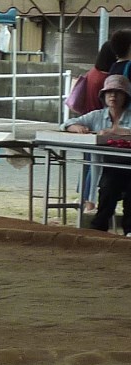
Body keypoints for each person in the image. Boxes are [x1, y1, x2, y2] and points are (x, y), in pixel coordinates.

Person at [63, 74, 131, 235]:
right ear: (103, 96)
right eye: (109, 92)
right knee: (108, 186)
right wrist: (76, 127)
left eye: (118, 92)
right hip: (109, 167)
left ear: (126, 96)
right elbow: (67, 123)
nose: (113, 96)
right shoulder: (97, 115)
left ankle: (129, 230)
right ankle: (98, 231)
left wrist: (117, 132)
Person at [78, 41, 119, 211]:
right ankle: (89, 201)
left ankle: (84, 199)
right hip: (99, 123)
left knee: (89, 166)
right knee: (96, 167)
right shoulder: (105, 79)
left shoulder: (92, 74)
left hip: (88, 121)